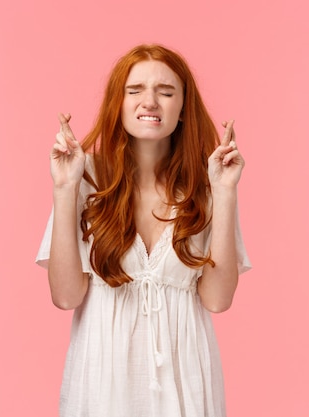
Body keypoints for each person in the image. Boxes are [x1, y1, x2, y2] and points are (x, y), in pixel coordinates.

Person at [36, 44, 251, 417]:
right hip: (104, 378)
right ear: (117, 105)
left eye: (165, 92)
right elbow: (66, 296)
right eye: (134, 91)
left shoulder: (208, 183)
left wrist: (225, 191)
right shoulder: (84, 176)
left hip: (186, 377)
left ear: (183, 109)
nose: (149, 101)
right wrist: (64, 188)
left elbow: (217, 300)